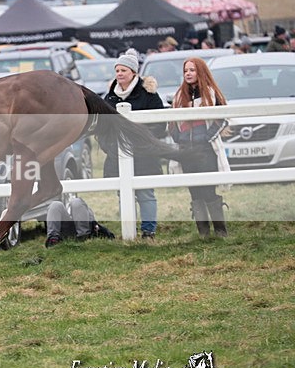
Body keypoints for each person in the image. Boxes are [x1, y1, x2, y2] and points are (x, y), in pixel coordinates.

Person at [102, 48, 166, 239]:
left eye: (123, 70)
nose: (119, 74)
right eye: (117, 71)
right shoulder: (109, 97)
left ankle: (148, 231)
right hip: (117, 155)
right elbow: (102, 129)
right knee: (123, 194)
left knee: (145, 193)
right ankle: (128, 231)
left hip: (144, 155)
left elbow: (159, 125)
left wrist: (141, 142)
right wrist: (112, 147)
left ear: (133, 72)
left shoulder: (149, 95)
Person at [168, 57, 229, 237]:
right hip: (187, 151)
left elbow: (223, 117)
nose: (188, 73)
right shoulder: (179, 96)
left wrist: (208, 136)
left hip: (206, 150)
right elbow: (172, 122)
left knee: (208, 190)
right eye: (186, 70)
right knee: (194, 192)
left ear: (200, 72)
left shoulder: (211, 93)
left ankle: (220, 231)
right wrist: (178, 137)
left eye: (192, 70)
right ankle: (203, 233)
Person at [45, 196, 115, 248]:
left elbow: (96, 225)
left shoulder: (80, 206)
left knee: (76, 202)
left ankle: (84, 237)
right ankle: (53, 240)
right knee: (55, 205)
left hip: (84, 230)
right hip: (68, 232)